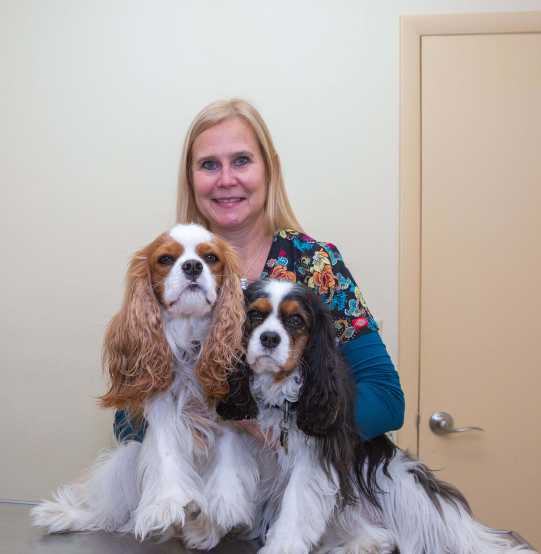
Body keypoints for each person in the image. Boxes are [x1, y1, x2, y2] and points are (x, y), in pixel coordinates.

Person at [114, 99, 404, 443]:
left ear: (270, 168)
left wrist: (285, 435)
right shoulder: (168, 270)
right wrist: (190, 412)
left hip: (293, 484)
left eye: (241, 160)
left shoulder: (315, 262)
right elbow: (126, 424)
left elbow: (387, 399)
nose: (226, 179)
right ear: (190, 178)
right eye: (208, 165)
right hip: (201, 487)